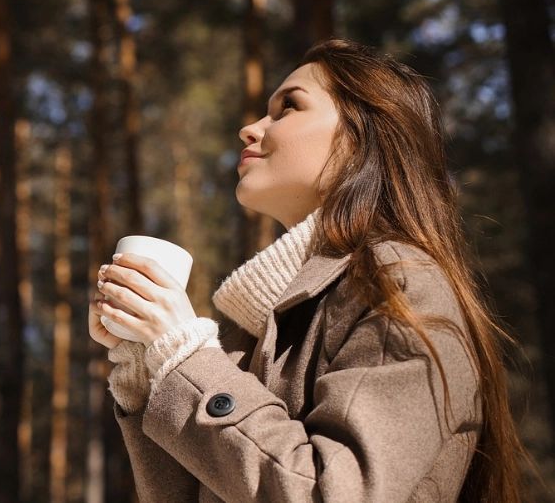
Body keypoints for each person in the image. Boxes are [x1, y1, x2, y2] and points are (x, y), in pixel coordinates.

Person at [88, 38, 532, 502]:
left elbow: (335, 492)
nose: (250, 128)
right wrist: (146, 372)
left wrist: (184, 358)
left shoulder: (398, 285)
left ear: (363, 138)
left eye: (288, 108)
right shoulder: (259, 330)